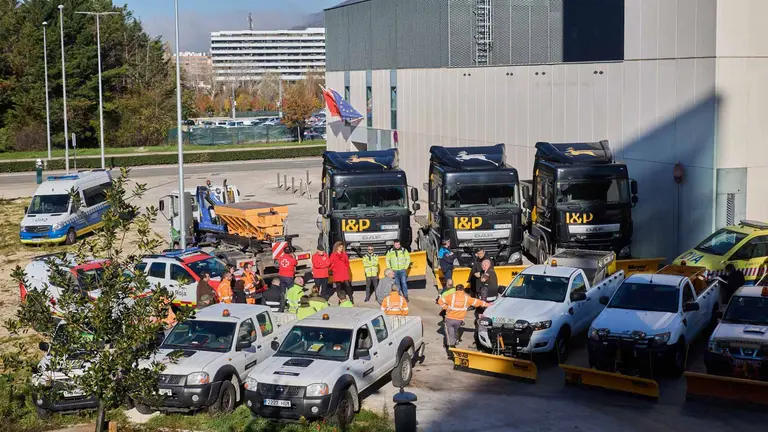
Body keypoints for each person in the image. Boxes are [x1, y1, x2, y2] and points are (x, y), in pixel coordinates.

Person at [438, 285, 491, 355]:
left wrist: (446, 307)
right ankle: (454, 343)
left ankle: (451, 350)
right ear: (463, 290)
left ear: (456, 289)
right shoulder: (467, 298)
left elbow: (440, 301)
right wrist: (489, 305)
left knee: (450, 334)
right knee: (454, 332)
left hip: (449, 319)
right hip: (459, 320)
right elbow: (478, 302)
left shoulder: (451, 296)